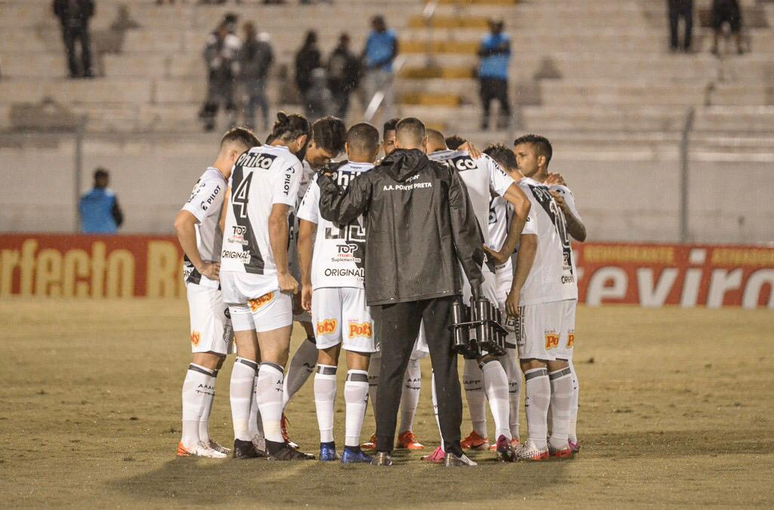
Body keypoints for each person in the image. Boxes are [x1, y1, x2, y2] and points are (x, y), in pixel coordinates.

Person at [318, 117, 483, 467]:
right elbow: (464, 229)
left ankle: (382, 450)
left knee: (392, 369)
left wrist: (327, 183)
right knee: (444, 367)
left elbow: (338, 213)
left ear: (393, 143)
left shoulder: (373, 178)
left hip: (391, 288)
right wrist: (476, 279)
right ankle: (452, 450)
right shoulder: (443, 176)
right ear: (424, 143)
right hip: (439, 284)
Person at [419, 131, 531, 464]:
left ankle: (445, 443)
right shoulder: (481, 161)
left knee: (443, 361)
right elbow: (521, 203)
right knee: (488, 352)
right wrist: (506, 250)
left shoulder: (421, 166)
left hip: (436, 273)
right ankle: (504, 435)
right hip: (479, 270)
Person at [219, 112, 315, 461]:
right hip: (261, 271)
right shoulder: (289, 163)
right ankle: (275, 442)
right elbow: (277, 218)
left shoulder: (246, 156)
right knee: (274, 356)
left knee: (246, 356)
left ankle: (243, 440)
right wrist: (281, 271)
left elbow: (226, 213)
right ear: (301, 140)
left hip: (233, 264)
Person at [297, 122, 381, 463]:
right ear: (376, 150)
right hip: (364, 279)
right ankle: (351, 447)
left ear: (346, 145)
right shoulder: (382, 179)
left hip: (326, 277)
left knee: (326, 359)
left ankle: (325, 445)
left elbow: (305, 233)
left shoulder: (324, 178)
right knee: (358, 363)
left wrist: (306, 280)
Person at [173, 127, 259, 459]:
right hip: (206, 281)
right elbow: (182, 222)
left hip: (214, 280)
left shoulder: (217, 182)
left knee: (215, 356)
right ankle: (189, 439)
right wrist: (202, 264)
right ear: (235, 156)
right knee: (205, 355)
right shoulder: (214, 182)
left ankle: (201, 438)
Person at [500, 134, 578, 461]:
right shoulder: (557, 190)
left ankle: (536, 444)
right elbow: (580, 233)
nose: (518, 163)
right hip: (565, 287)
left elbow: (528, 243)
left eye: (523, 156)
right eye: (515, 157)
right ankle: (559, 440)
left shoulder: (525, 193)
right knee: (558, 362)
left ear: (540, 160)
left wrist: (515, 288)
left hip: (539, 287)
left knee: (532, 362)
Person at [281, 116, 347, 448]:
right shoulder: (287, 168)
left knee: (317, 337)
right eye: (322, 156)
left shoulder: (325, 174)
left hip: (308, 268)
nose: (326, 163)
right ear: (308, 142)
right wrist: (288, 270)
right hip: (282, 268)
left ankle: (275, 409)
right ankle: (261, 420)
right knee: (271, 348)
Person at [200, 20, 242, 132]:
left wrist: (232, 62)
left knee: (229, 100)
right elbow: (206, 54)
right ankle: (209, 122)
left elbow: (239, 56)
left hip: (228, 76)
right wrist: (214, 60)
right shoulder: (212, 41)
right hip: (215, 76)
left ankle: (231, 122)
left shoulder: (233, 42)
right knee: (212, 100)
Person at [477, 20, 511, 131]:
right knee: (486, 102)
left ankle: (507, 125)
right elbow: (480, 52)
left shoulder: (505, 38)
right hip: (486, 75)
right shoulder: (485, 38)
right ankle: (485, 126)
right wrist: (495, 50)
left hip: (500, 75)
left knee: (503, 101)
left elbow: (503, 49)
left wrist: (489, 51)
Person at [363, 16, 398, 121]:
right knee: (371, 98)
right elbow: (365, 51)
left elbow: (395, 52)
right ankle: (371, 121)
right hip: (372, 71)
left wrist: (382, 63)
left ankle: (388, 121)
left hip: (385, 70)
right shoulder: (371, 36)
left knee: (387, 98)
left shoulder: (391, 35)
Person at [241, 22, 273, 131]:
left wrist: (257, 70)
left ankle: (263, 121)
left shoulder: (259, 44)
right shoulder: (247, 43)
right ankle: (252, 122)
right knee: (252, 100)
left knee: (259, 99)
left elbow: (262, 60)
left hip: (258, 76)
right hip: (251, 77)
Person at [53, 0, 95, 78]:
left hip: (82, 26)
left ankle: (87, 70)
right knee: (70, 50)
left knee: (85, 48)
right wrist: (64, 19)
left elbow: (91, 8)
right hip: (67, 26)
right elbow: (56, 9)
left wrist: (84, 18)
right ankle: (73, 72)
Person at [327, 34, 362, 119]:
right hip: (344, 87)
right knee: (342, 110)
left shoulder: (334, 54)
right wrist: (354, 85)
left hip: (335, 86)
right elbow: (355, 72)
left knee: (335, 109)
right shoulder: (350, 55)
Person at [79, 168, 123, 234]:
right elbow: (118, 217)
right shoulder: (110, 196)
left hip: (88, 232)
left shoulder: (85, 196)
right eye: (104, 179)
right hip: (108, 233)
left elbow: (81, 213)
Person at [295, 31, 322, 112]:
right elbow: (318, 66)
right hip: (312, 81)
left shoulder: (301, 51)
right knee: (315, 106)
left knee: (307, 105)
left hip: (303, 81)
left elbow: (297, 66)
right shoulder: (314, 52)